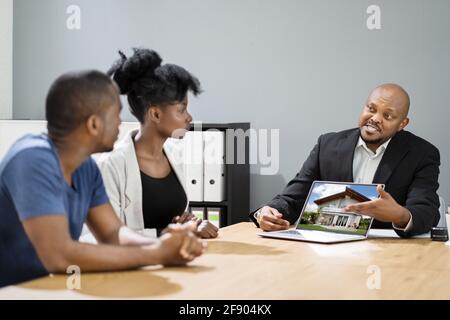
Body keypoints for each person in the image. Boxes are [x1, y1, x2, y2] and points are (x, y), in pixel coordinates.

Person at [0, 70, 205, 288]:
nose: (120, 123)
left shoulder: (86, 167)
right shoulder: (32, 159)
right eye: (116, 114)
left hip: (48, 289)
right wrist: (157, 254)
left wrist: (168, 244)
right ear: (94, 124)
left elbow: (113, 233)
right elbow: (59, 255)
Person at [251, 84, 440, 237]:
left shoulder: (422, 154)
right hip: (324, 248)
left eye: (387, 115)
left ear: (402, 124)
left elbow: (426, 211)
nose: (375, 119)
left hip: (386, 253)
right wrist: (268, 212)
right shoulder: (327, 144)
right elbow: (293, 198)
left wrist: (400, 215)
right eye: (371, 109)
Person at [98, 48, 218, 238]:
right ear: (155, 114)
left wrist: (193, 223)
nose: (189, 117)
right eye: (182, 109)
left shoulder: (174, 154)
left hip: (175, 260)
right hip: (135, 264)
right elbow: (110, 236)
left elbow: (177, 221)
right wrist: (172, 232)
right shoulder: (111, 165)